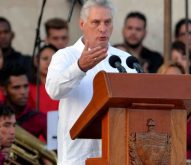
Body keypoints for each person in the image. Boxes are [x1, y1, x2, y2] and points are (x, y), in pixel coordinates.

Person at [45, 0, 136, 164]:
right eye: (96, 22)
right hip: (77, 156)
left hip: (116, 155)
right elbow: (53, 90)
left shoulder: (125, 60)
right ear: (82, 24)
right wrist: (79, 67)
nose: (103, 28)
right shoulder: (65, 56)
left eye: (107, 22)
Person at [157, 63, 191, 160]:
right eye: (168, 80)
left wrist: (178, 156)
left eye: (177, 80)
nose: (172, 84)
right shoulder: (151, 113)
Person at [0, 62, 47, 141]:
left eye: (26, 86)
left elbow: (55, 150)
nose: (23, 92)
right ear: (4, 90)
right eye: (16, 87)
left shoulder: (39, 118)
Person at [29, 45, 59, 114]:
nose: (49, 63)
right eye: (45, 58)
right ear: (36, 61)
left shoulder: (64, 86)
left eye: (53, 59)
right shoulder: (28, 88)